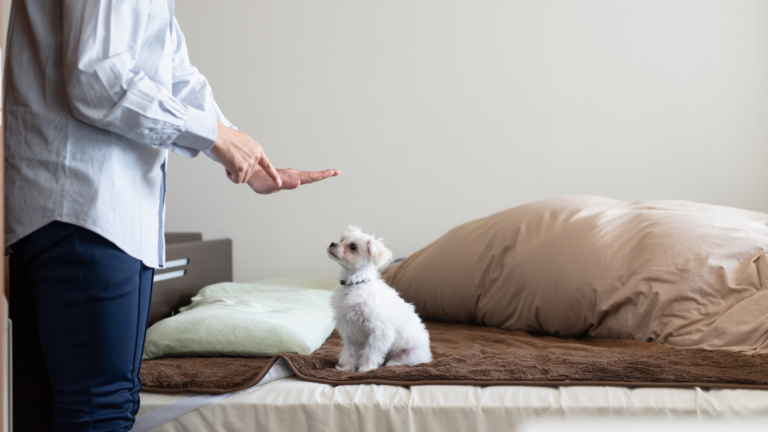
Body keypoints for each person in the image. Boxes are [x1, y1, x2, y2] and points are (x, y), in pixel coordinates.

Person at [4, 0, 340, 430]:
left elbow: (171, 71)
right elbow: (98, 78)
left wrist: (239, 150)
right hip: (83, 207)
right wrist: (214, 136)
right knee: (98, 408)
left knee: (101, 401)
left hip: (95, 207)